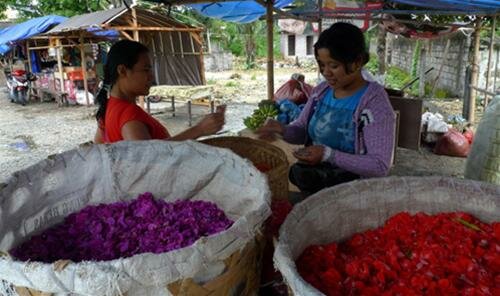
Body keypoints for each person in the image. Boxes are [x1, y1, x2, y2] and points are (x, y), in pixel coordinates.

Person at [257, 22, 395, 196]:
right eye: (322, 65)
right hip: (315, 184)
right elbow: (301, 130)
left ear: (357, 61)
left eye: (334, 65)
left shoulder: (374, 103)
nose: (326, 72)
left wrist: (328, 155)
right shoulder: (321, 93)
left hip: (353, 195)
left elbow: (379, 165)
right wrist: (282, 129)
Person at [94, 40, 225, 144]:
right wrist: (199, 129)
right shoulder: (129, 115)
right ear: (122, 71)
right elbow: (150, 159)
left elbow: (99, 148)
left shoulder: (108, 108)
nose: (151, 76)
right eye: (146, 70)